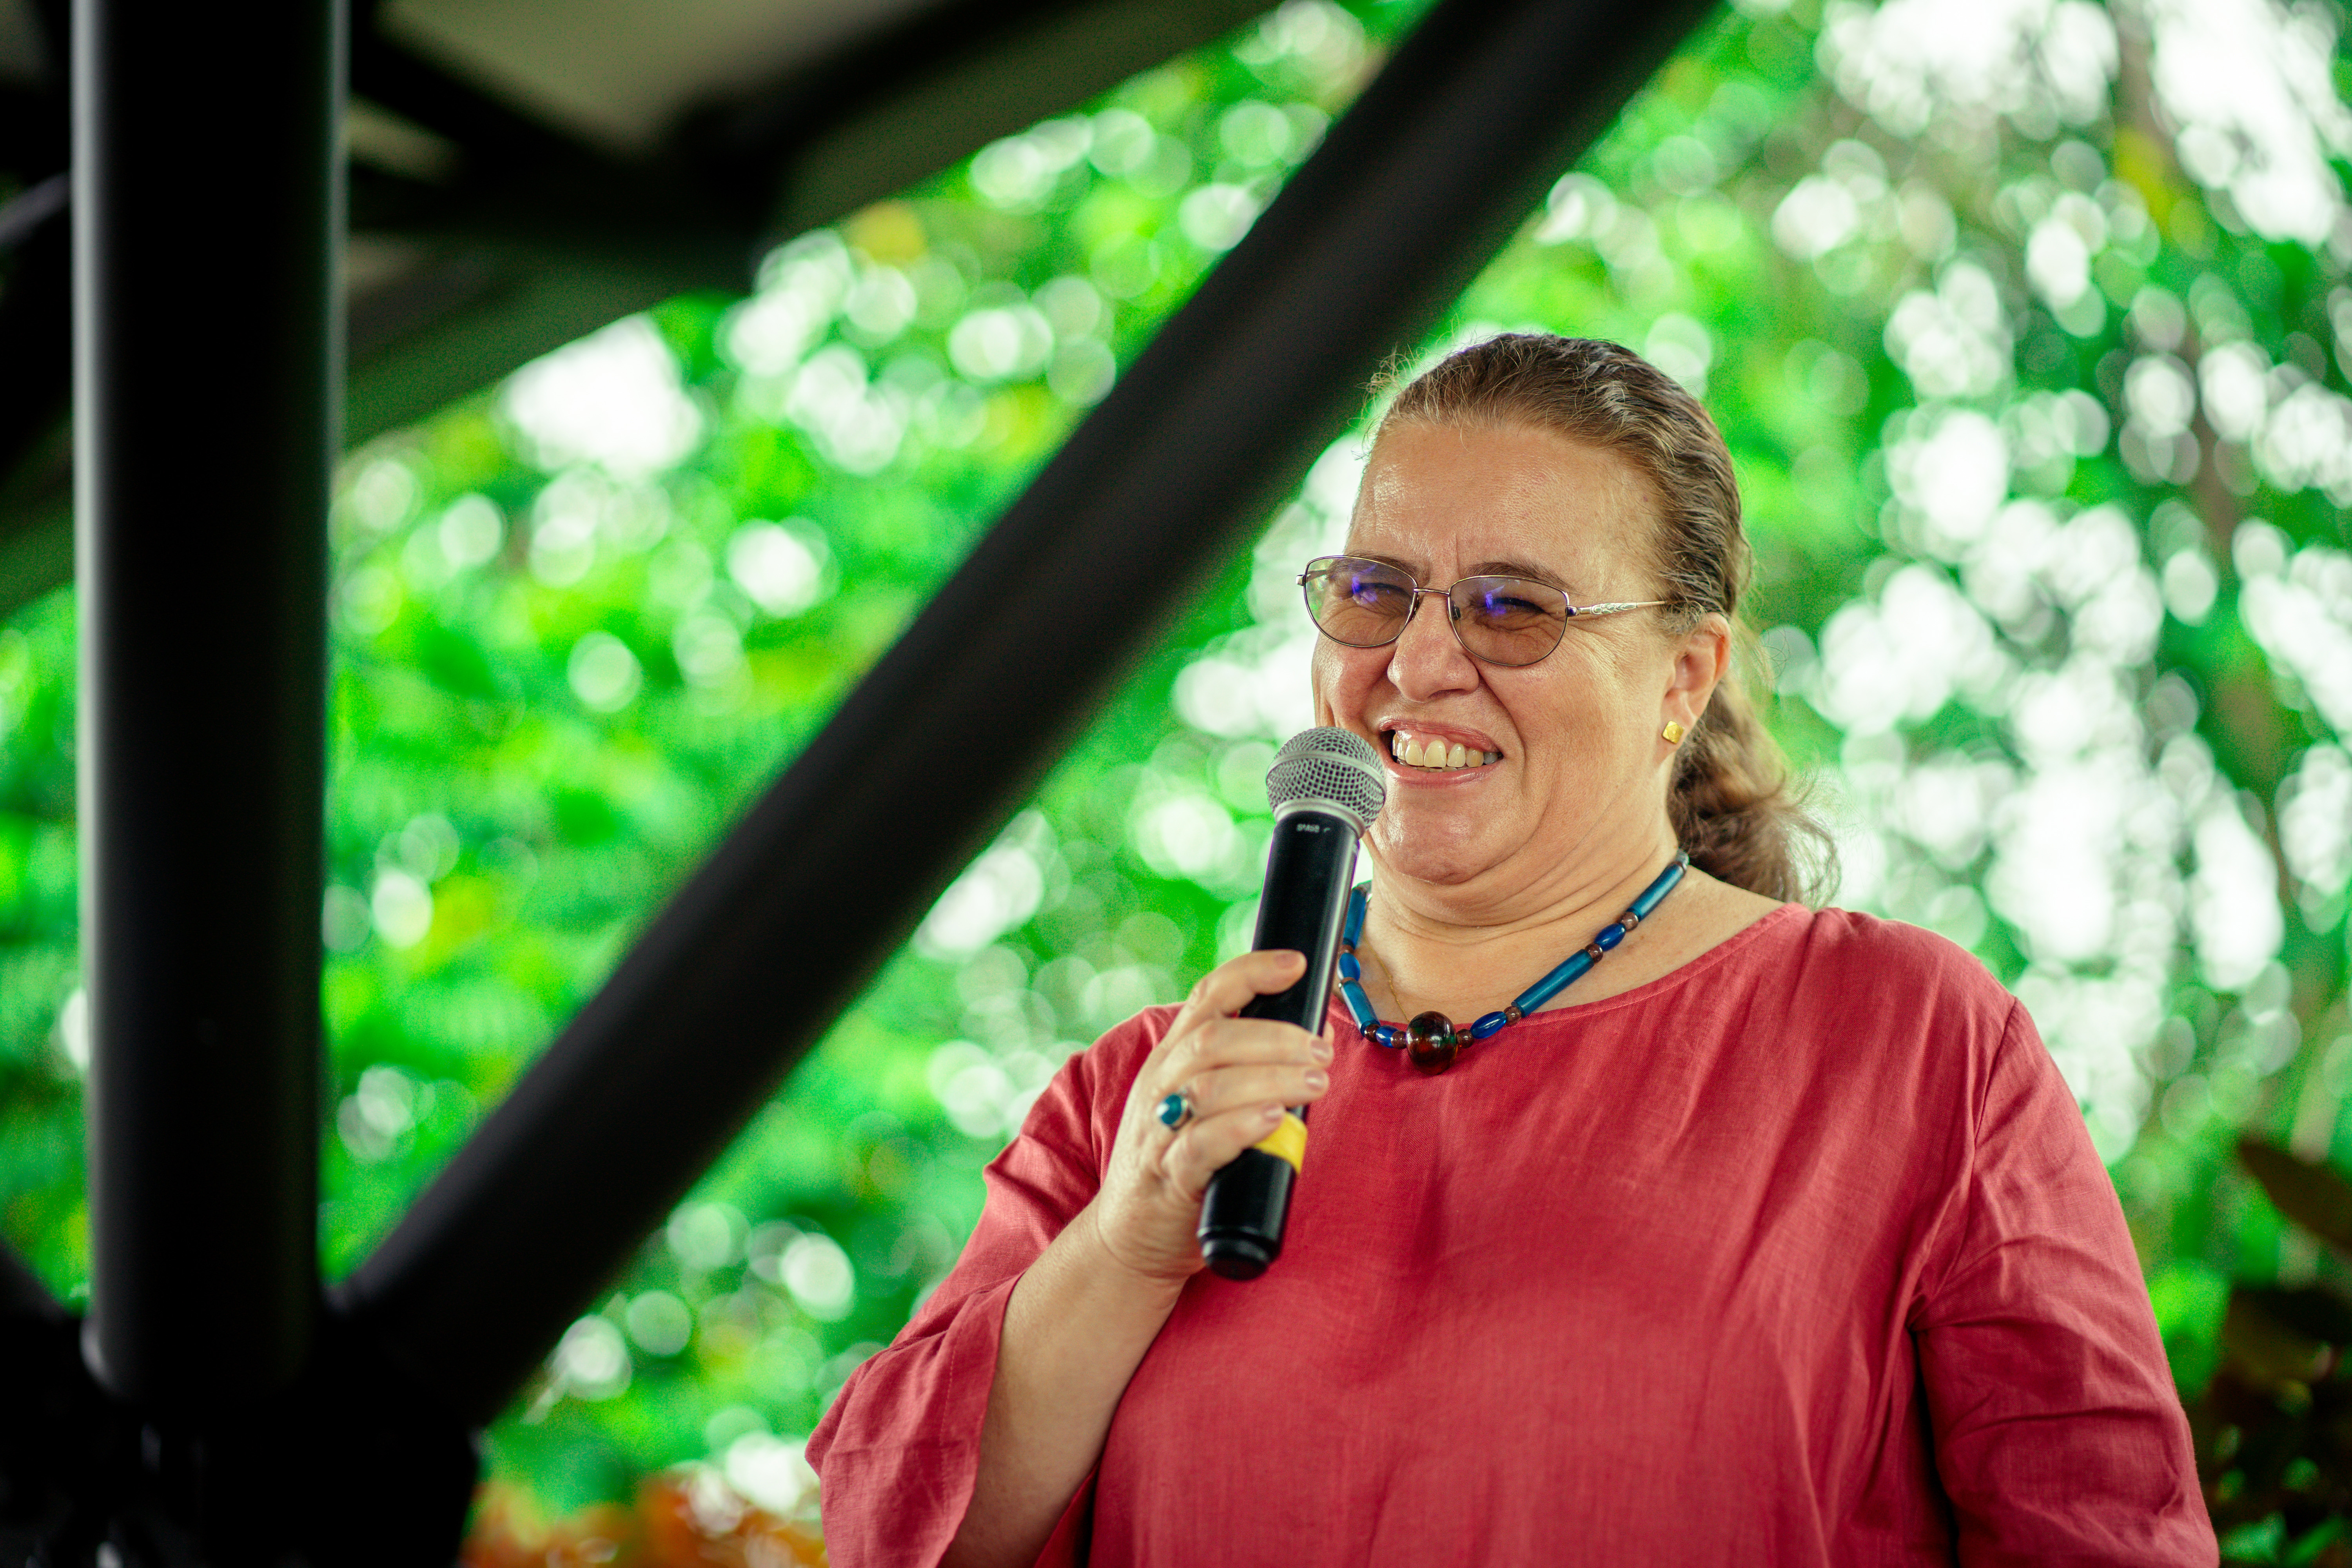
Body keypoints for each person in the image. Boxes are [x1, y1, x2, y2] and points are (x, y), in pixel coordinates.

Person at [808, 334, 2215, 1565]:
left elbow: (2107, 1534)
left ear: (1683, 680)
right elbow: (895, 1531)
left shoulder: (1911, 1046)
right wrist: (1125, 1245)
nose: (1418, 665)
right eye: (1376, 590)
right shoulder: (1148, 1097)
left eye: (1512, 608)